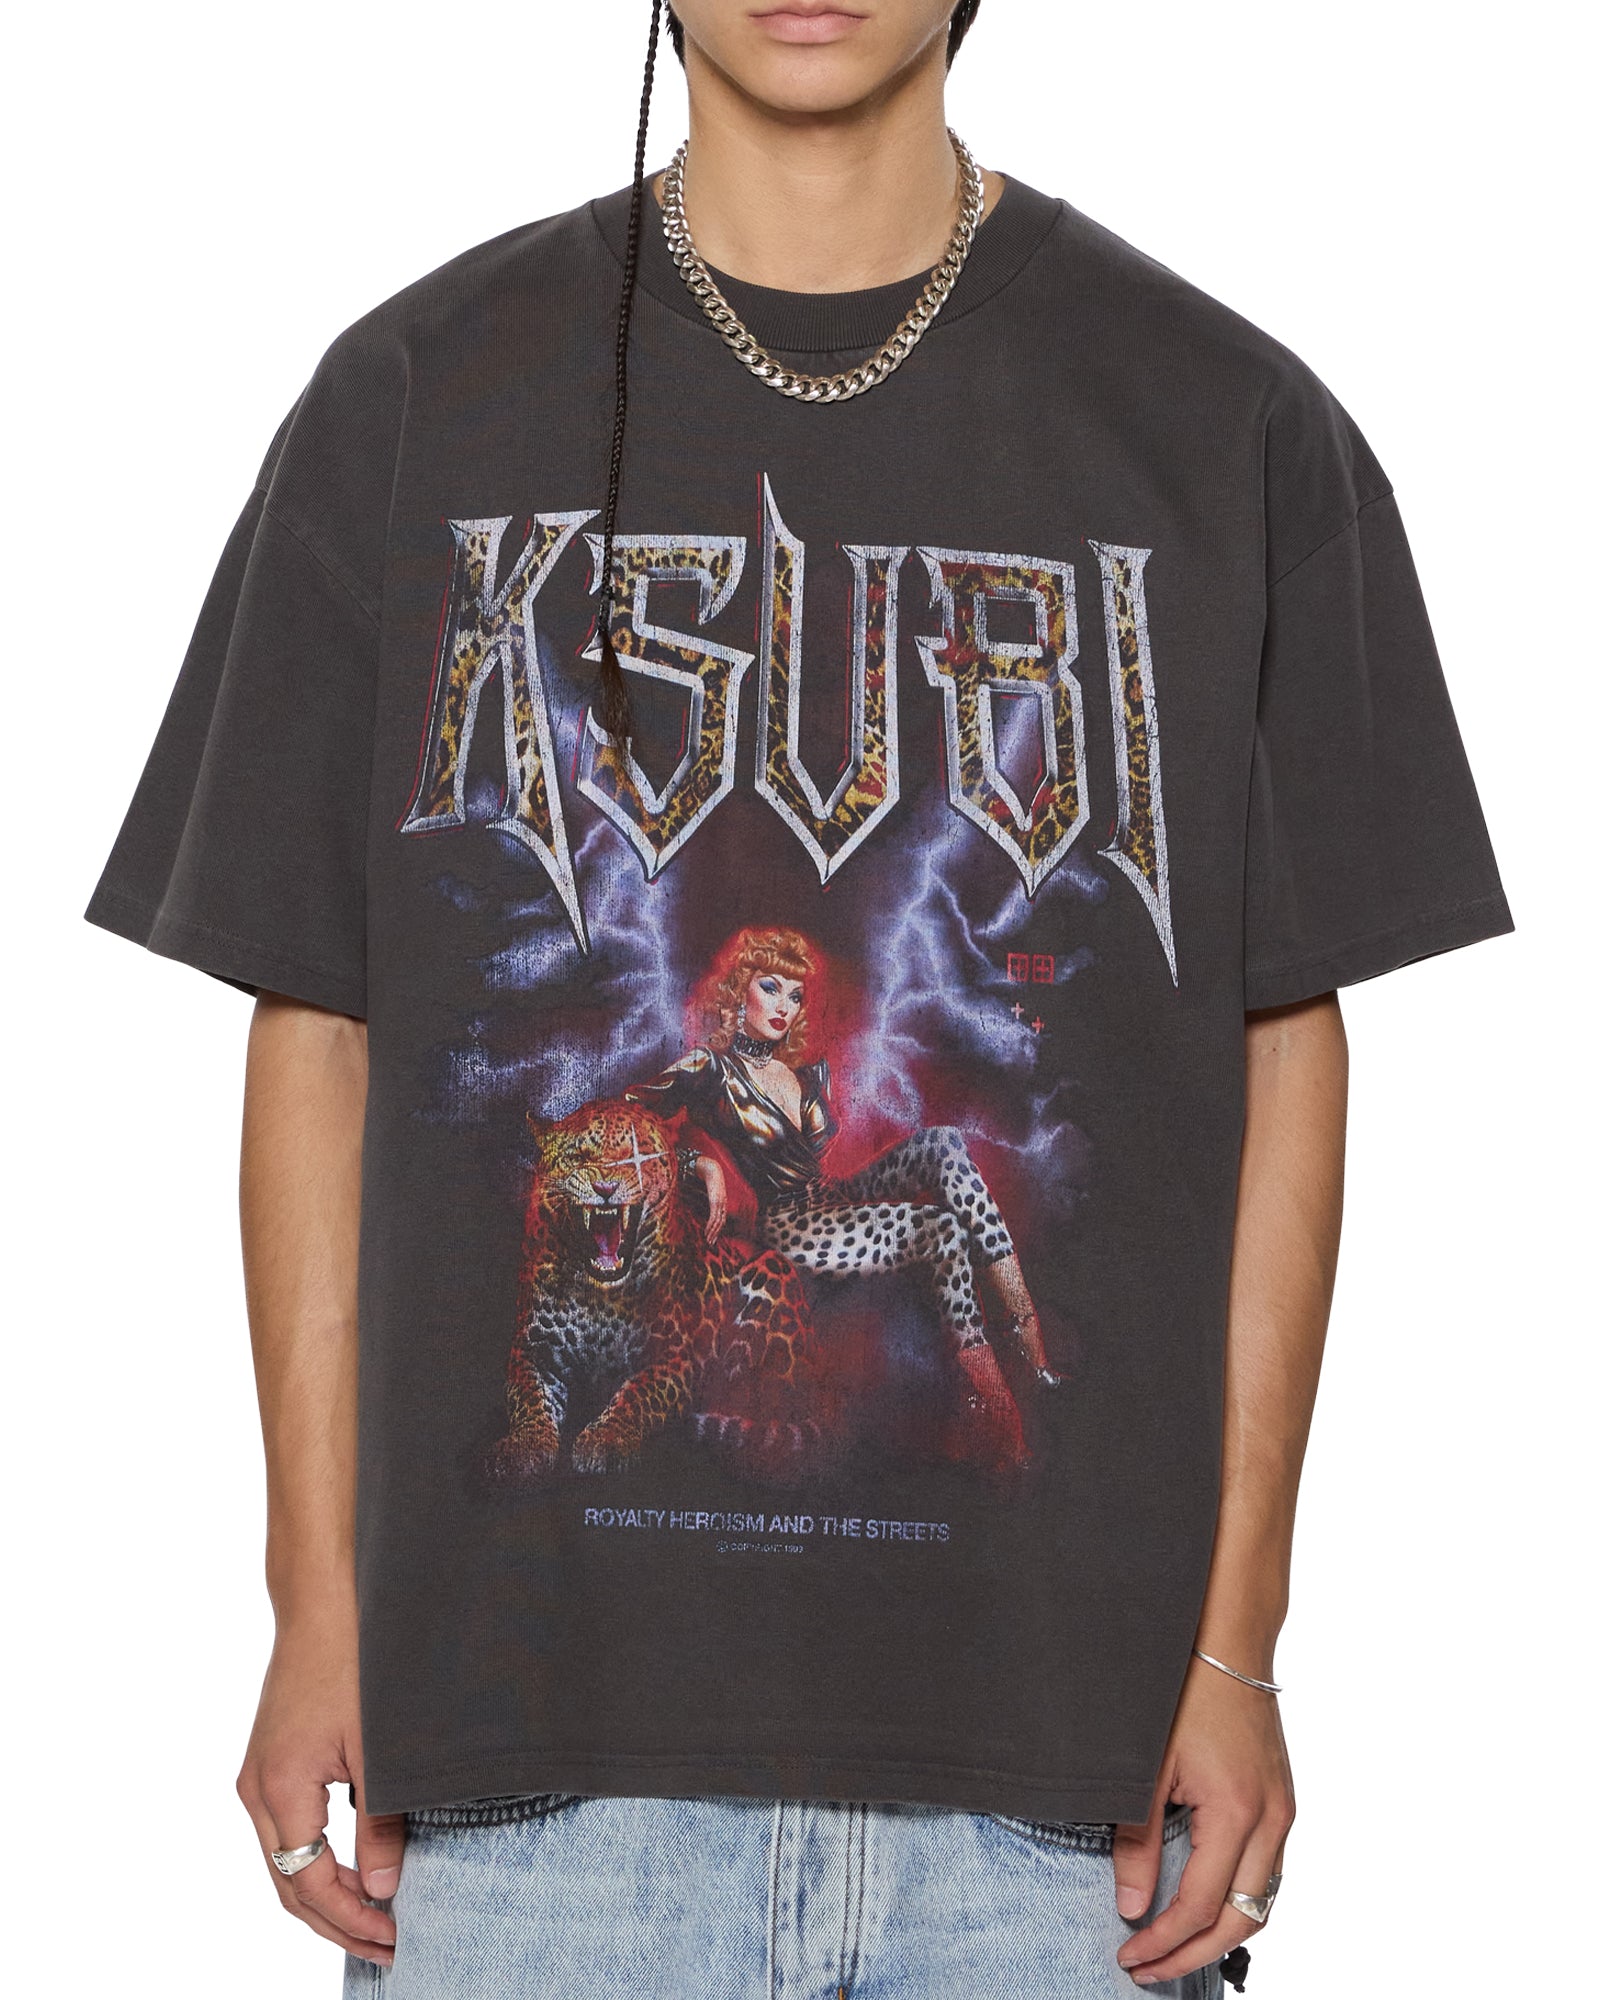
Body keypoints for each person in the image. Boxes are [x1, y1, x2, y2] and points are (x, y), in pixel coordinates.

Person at [83, 1, 1514, 1994]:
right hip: (526, 1782)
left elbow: (1281, 1046)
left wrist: (1233, 1645)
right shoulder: (416, 397)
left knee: (947, 1180)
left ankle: (1006, 1375)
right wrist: (310, 1602)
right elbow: (317, 1026)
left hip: (1064, 1797)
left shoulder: (1224, 422)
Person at [627, 922, 1058, 1463]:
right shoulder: (708, 1069)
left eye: (795, 995)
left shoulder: (803, 1076)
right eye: (770, 987)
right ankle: (997, 1411)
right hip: (791, 1223)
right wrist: (699, 1162)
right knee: (941, 1230)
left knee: (944, 1144)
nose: (784, 1006)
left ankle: (1034, 1355)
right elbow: (630, 1117)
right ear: (738, 991)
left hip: (831, 1197)